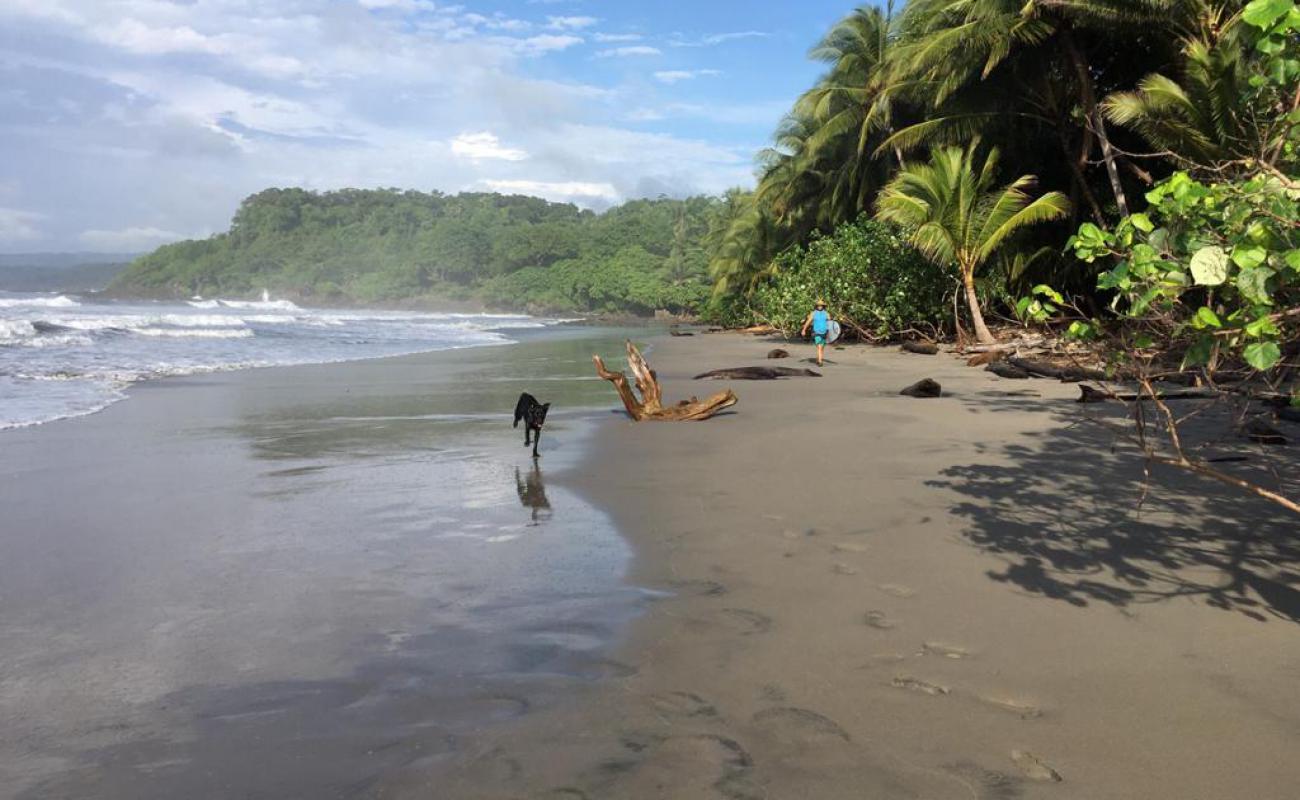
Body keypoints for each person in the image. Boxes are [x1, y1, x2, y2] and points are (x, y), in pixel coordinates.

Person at [800, 298, 831, 367]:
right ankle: (820, 362)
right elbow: (808, 322)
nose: (820, 307)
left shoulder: (826, 314)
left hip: (824, 332)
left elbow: (830, 323)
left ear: (823, 306)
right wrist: (804, 330)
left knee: (822, 347)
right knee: (819, 347)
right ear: (816, 306)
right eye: (818, 305)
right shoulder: (813, 313)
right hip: (816, 332)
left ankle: (818, 359)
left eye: (821, 305)